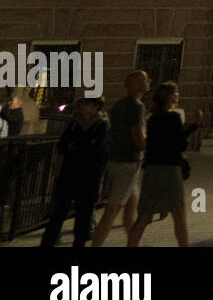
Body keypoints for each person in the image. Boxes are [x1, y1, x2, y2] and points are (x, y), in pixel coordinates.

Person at [126, 82, 199, 247]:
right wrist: (194, 126)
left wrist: (193, 126)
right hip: (170, 170)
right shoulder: (173, 117)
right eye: (177, 94)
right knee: (179, 215)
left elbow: (161, 141)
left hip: (152, 169)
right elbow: (180, 144)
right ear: (171, 97)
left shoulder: (152, 119)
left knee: (143, 217)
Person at [92, 70, 150, 246]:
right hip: (128, 162)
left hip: (115, 160)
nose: (149, 82)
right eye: (146, 80)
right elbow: (138, 138)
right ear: (138, 85)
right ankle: (96, 244)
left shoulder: (118, 105)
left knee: (131, 210)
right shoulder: (137, 106)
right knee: (112, 210)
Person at [41, 97, 108, 247]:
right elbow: (62, 146)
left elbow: (95, 149)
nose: (80, 108)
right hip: (69, 174)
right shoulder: (74, 125)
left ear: (94, 106)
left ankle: (79, 243)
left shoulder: (101, 126)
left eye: (83, 104)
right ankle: (47, 242)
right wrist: (79, 146)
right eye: (79, 105)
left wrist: (76, 146)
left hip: (88, 177)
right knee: (58, 213)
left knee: (83, 216)